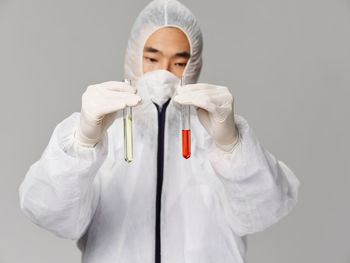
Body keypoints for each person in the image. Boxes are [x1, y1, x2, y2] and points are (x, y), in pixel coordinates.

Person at [19, 0, 300, 262]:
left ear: (195, 67)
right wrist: (82, 143)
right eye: (152, 59)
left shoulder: (215, 143)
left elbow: (264, 211)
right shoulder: (108, 144)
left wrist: (232, 145)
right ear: (132, 58)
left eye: (179, 63)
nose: (164, 73)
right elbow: (49, 213)